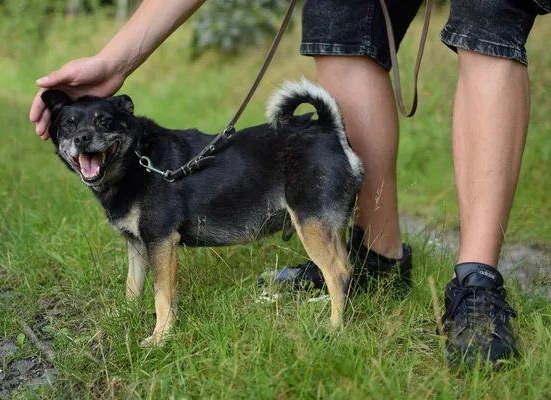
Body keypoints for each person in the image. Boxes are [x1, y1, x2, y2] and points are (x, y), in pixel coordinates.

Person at [29, 0, 549, 367]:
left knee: (490, 21)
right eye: (73, 135)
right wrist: (116, 59)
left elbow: (157, 238)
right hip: (309, 147)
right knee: (340, 33)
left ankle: (476, 280)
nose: (86, 141)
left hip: (305, 163)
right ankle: (379, 261)